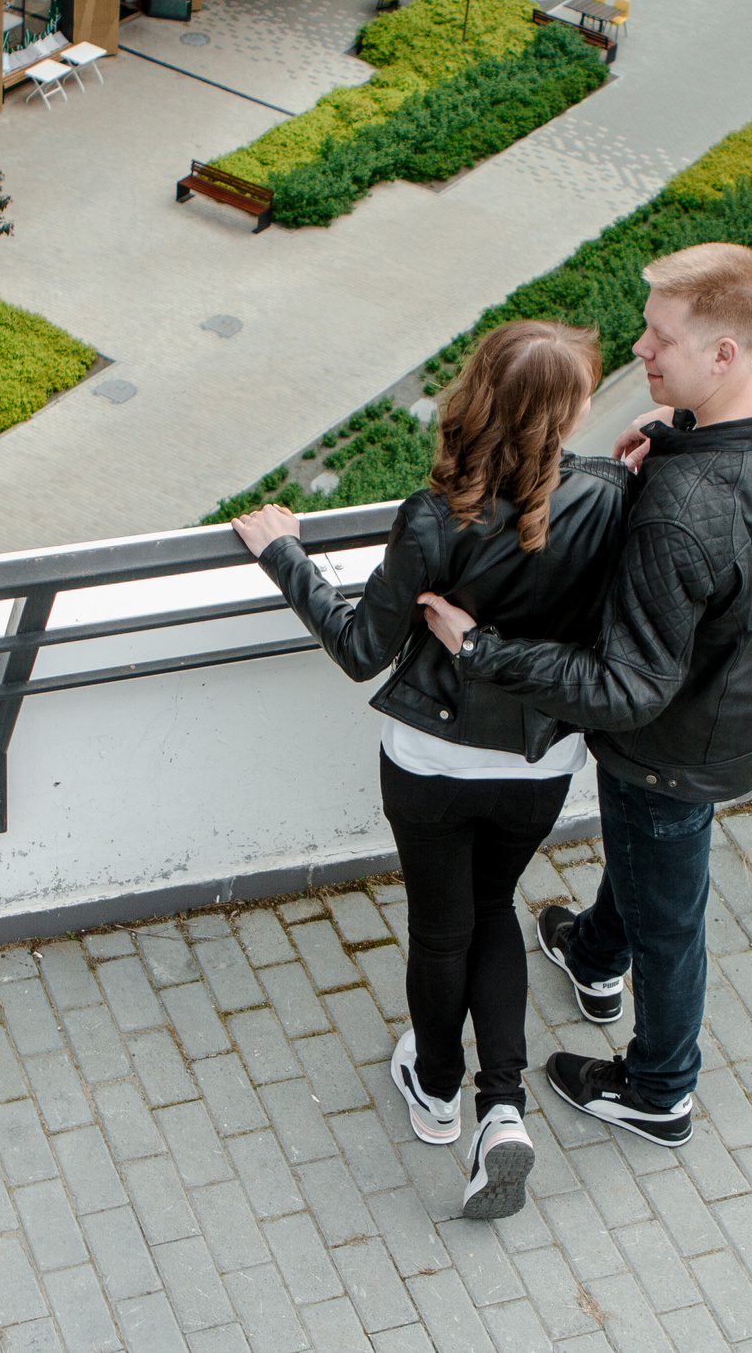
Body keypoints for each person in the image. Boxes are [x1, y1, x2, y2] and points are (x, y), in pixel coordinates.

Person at [416, 244, 752, 1149]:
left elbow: (624, 686)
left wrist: (483, 647)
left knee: (673, 917)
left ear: (724, 354)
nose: (642, 349)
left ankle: (660, 1086)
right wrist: (676, 428)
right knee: (653, 865)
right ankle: (590, 953)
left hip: (671, 752)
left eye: (662, 339)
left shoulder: (678, 507)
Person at [231, 321, 634, 1218]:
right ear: (568, 412)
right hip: (538, 761)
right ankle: (502, 1109)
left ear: (474, 392)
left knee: (442, 923)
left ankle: (438, 1087)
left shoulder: (433, 515)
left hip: (430, 763)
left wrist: (282, 552)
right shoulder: (611, 495)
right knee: (494, 908)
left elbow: (361, 647)